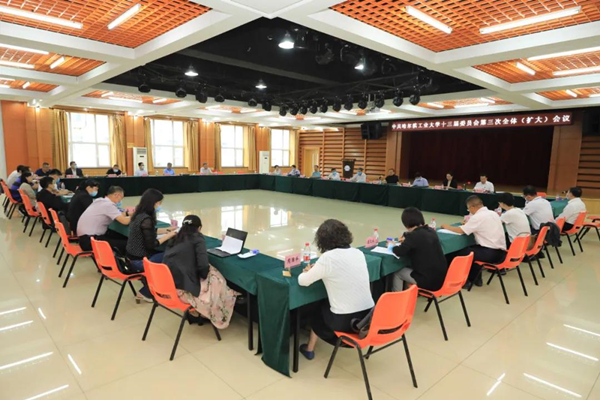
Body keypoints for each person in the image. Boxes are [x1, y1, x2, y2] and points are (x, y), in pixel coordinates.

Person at [298, 219, 374, 360]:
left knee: (317, 308)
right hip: (368, 318)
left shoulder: (328, 258)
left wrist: (307, 271)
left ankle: (309, 348)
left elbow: (303, 281)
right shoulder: (358, 253)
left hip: (346, 322)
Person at [163, 215, 239, 328]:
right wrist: (204, 276)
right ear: (199, 228)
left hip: (169, 286)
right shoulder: (197, 238)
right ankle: (216, 314)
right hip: (185, 290)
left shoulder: (175, 238)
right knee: (218, 280)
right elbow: (203, 266)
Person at [441, 196, 506, 288]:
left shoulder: (478, 217)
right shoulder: (493, 213)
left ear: (472, 207)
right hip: (501, 253)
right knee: (471, 250)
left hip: (489, 253)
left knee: (454, 254)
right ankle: (476, 279)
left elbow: (462, 230)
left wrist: (446, 227)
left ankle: (462, 281)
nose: (469, 211)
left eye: (468, 209)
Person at [126, 189, 177, 302]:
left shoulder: (138, 214)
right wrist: (170, 235)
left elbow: (148, 231)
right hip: (139, 260)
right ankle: (146, 292)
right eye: (159, 203)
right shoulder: (146, 219)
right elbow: (152, 244)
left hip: (131, 256)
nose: (160, 205)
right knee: (173, 258)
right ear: (153, 203)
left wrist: (167, 229)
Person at [390, 207, 448, 291]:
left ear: (406, 223)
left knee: (398, 273)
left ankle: (398, 298)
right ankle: (409, 295)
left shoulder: (413, 236)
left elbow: (399, 251)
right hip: (442, 278)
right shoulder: (431, 230)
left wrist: (392, 245)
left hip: (429, 281)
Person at [77, 186, 131, 253]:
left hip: (84, 239)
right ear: (116, 195)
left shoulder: (100, 200)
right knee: (129, 244)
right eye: (121, 198)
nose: (120, 201)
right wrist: (137, 214)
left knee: (120, 236)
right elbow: (125, 221)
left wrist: (128, 214)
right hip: (90, 241)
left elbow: (117, 214)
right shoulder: (109, 205)